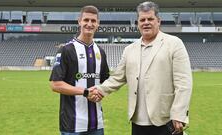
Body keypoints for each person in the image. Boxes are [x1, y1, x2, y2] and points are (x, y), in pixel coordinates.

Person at [90, 1, 192, 135]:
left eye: (150, 19)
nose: (146, 22)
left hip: (164, 119)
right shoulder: (129, 49)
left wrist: (179, 113)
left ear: (158, 21)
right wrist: (100, 90)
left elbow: (183, 82)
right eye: (142, 19)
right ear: (137, 23)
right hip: (137, 121)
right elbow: (117, 77)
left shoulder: (174, 44)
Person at [49, 5, 109, 135]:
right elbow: (55, 84)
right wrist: (85, 92)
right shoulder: (66, 50)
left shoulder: (101, 52)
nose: (89, 24)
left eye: (93, 21)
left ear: (98, 24)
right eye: (86, 20)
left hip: (97, 124)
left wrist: (102, 92)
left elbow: (106, 82)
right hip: (72, 125)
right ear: (79, 21)